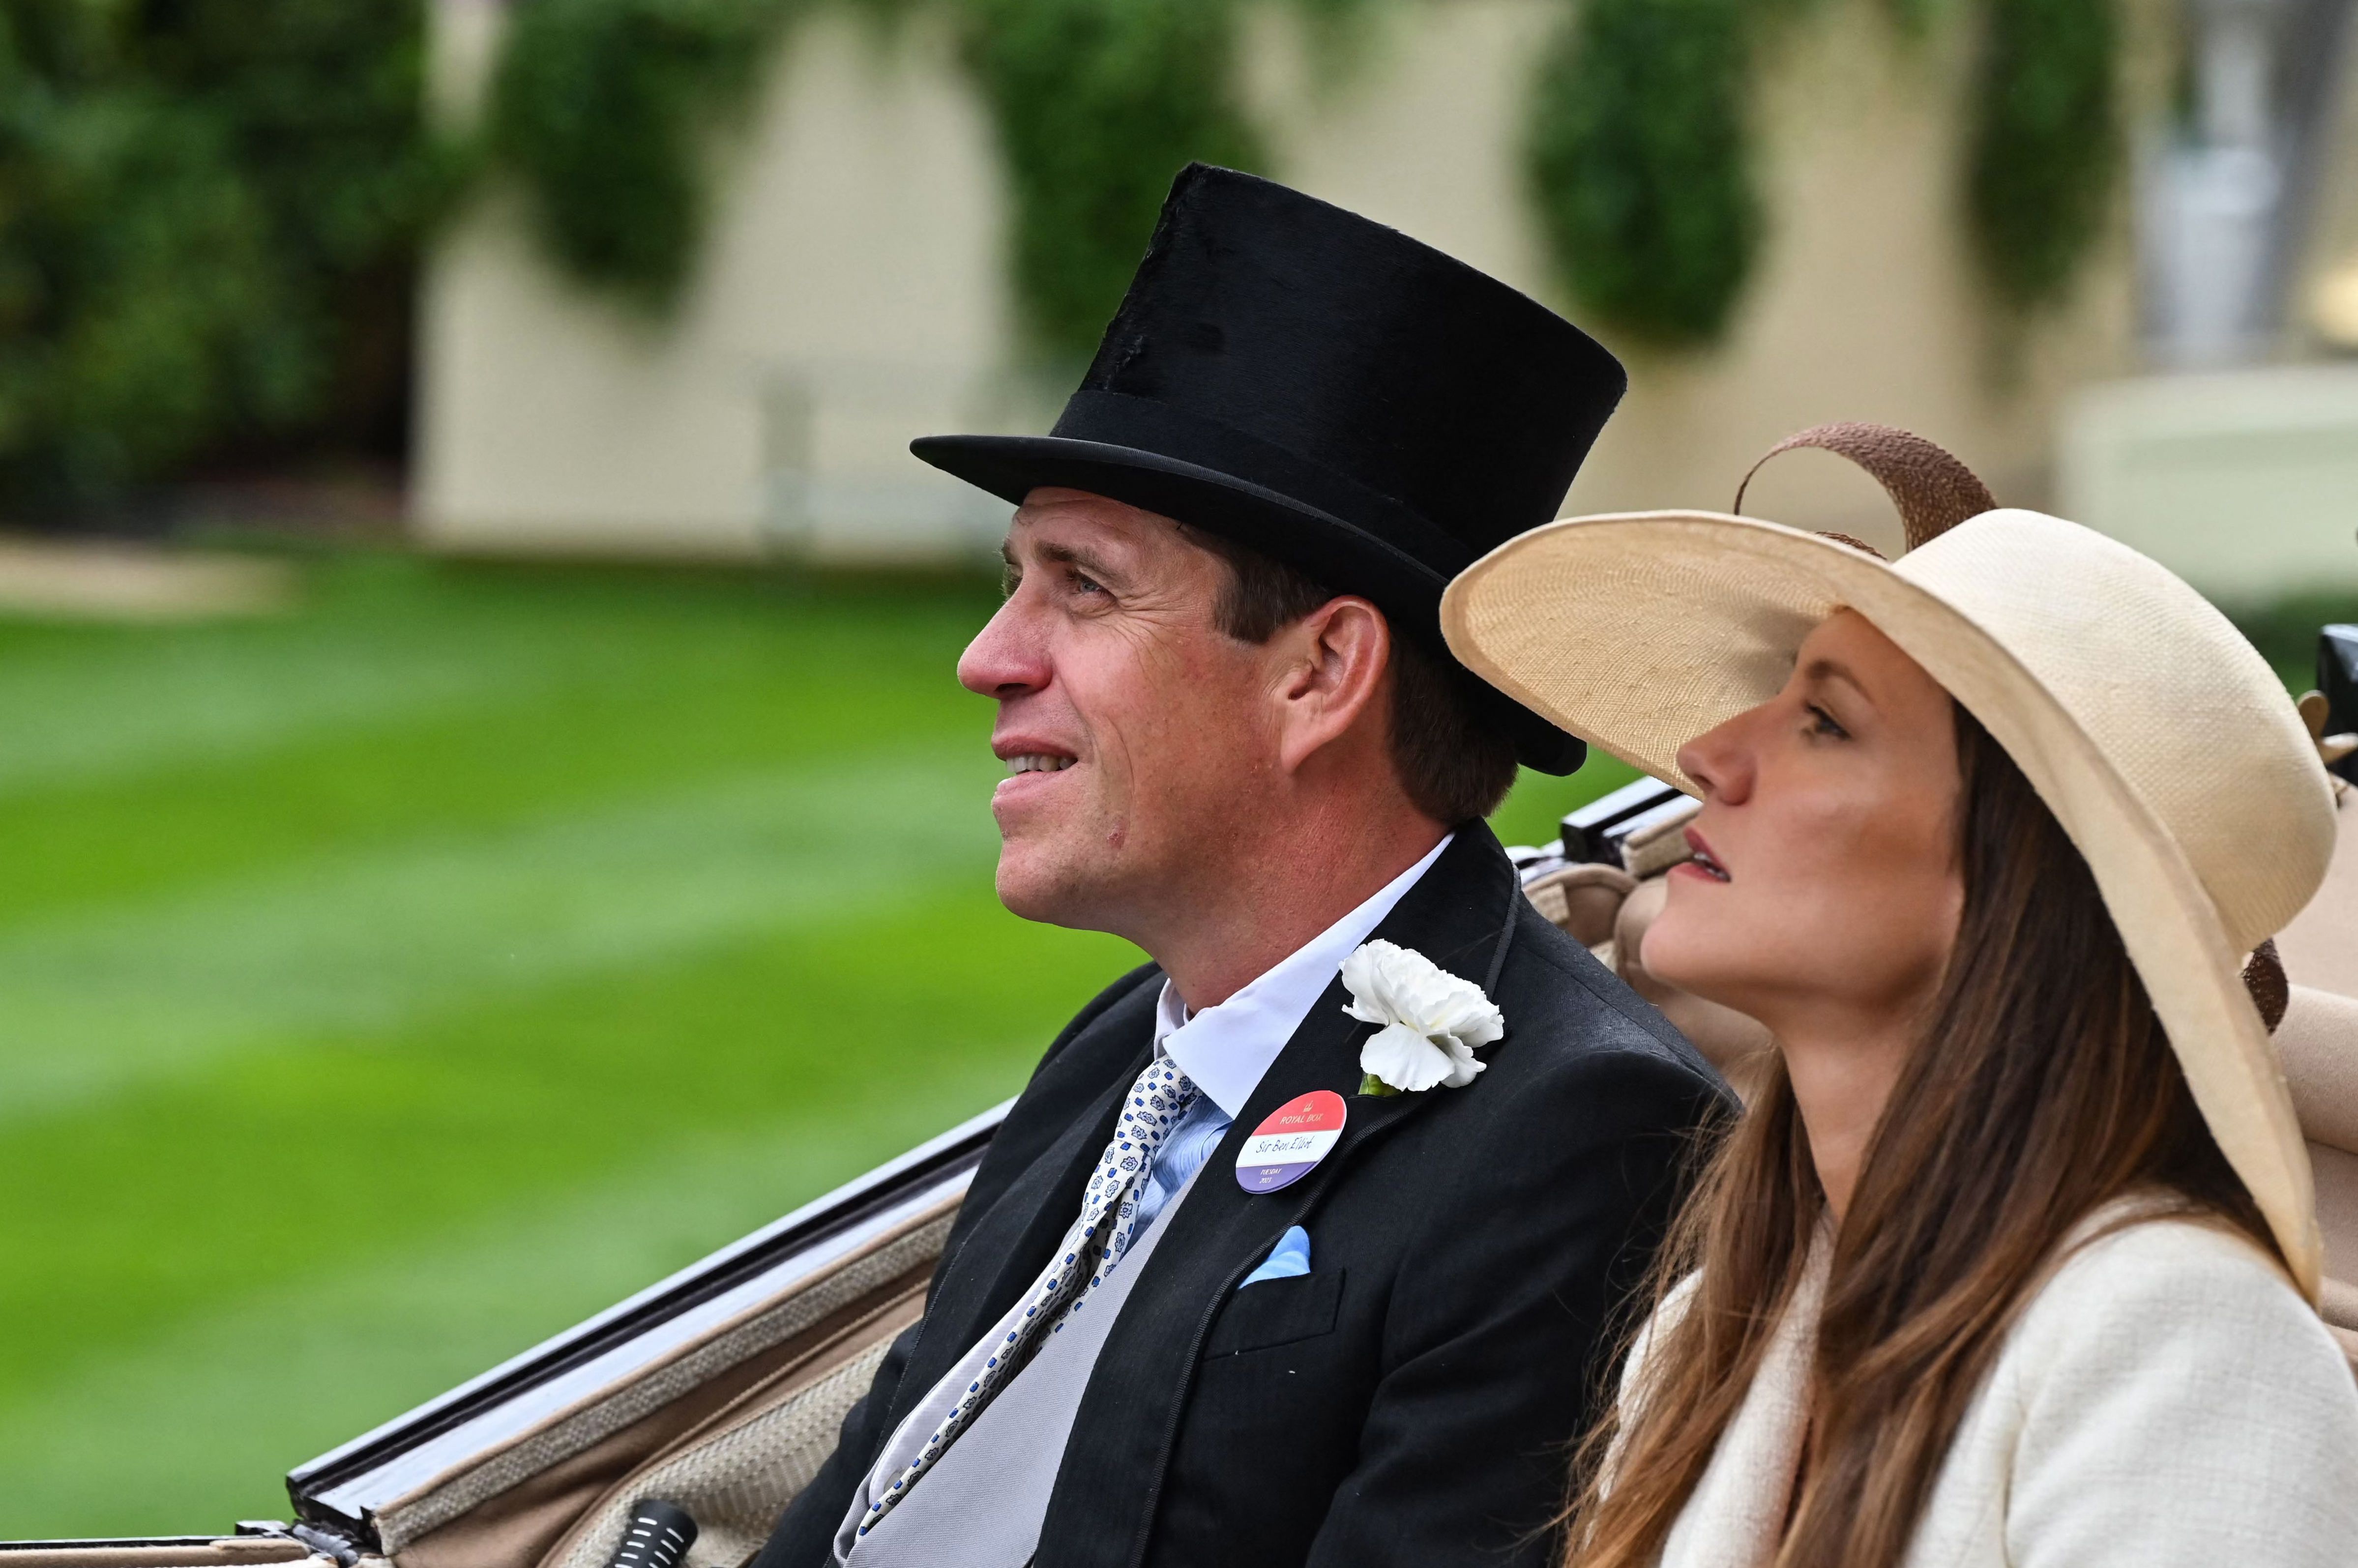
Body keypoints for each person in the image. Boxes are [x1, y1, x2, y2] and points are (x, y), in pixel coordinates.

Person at [748, 165, 1729, 1568]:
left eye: (1080, 584)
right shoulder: (1121, 1052)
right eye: (1014, 577)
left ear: (1321, 671)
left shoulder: (1578, 1133)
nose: (988, 655)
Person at [1441, 424, 2358, 1568]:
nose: (1707, 753)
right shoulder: (1711, 1328)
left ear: (2005, 881)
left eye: (1823, 720)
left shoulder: (2185, 1343)